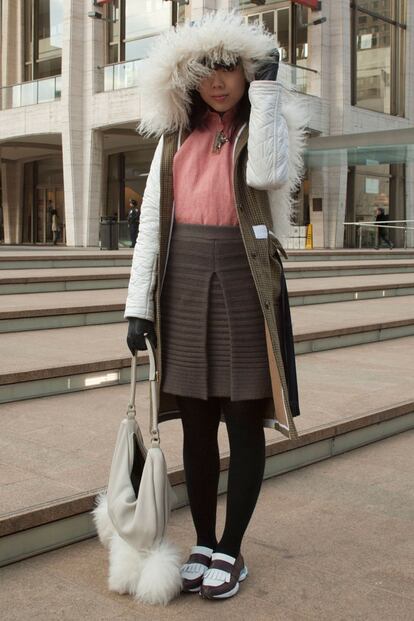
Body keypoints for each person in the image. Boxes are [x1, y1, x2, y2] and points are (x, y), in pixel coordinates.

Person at [124, 11, 308, 601]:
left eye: (230, 68)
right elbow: (153, 222)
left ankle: (232, 547)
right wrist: (138, 306)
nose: (219, 82)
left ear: (246, 71)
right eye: (207, 72)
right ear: (189, 78)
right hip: (182, 282)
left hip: (244, 278)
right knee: (197, 424)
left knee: (242, 419)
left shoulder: (266, 123)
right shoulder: (175, 136)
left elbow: (270, 174)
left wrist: (271, 93)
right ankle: (204, 539)